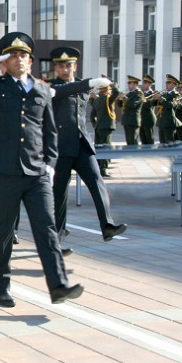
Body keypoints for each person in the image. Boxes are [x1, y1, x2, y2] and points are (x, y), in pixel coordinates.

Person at [0, 31, 83, 307]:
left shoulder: (40, 89)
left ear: (31, 61)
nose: (19, 59)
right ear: (4, 61)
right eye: (12, 55)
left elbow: (49, 132)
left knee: (46, 229)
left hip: (36, 173)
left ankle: (58, 285)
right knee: (2, 233)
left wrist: (49, 165)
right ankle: (0, 287)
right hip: (3, 173)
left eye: (24, 55)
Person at [47, 46, 128, 256]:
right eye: (61, 66)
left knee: (97, 181)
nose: (65, 69)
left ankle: (107, 225)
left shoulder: (83, 86)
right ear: (56, 68)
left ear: (75, 66)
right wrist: (90, 84)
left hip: (82, 144)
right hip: (61, 148)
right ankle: (57, 239)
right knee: (59, 195)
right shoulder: (51, 86)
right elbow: (63, 92)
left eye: (69, 65)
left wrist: (107, 88)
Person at [90, 81, 119, 177]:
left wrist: (95, 124)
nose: (110, 92)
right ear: (106, 91)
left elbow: (92, 115)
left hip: (98, 127)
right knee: (106, 148)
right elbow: (117, 92)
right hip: (106, 127)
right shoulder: (107, 99)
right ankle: (103, 169)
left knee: (98, 148)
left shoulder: (96, 100)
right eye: (109, 90)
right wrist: (112, 83)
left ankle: (98, 167)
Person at [152, 74, 181, 144]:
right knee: (162, 144)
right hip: (161, 122)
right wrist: (154, 97)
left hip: (169, 123)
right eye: (166, 83)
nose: (166, 85)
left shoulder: (176, 95)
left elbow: (171, 105)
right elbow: (153, 104)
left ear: (174, 85)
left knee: (169, 143)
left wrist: (160, 98)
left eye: (168, 83)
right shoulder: (163, 94)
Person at [119, 75, 144, 145]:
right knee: (128, 141)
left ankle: (135, 155)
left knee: (133, 140)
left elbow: (133, 104)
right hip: (127, 119)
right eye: (128, 83)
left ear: (135, 84)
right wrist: (120, 99)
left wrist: (124, 98)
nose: (128, 85)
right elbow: (120, 105)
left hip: (133, 120)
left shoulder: (139, 94)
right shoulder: (129, 94)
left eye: (130, 83)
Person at [139, 75, 157, 145]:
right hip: (141, 118)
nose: (143, 84)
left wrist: (140, 100)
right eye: (143, 82)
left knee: (149, 138)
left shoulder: (152, 94)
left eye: (145, 82)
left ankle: (152, 153)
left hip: (148, 118)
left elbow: (148, 105)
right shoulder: (141, 93)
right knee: (143, 139)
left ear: (150, 84)